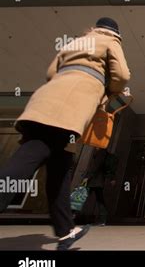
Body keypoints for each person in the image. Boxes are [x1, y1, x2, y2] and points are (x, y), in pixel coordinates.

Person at [0, 17, 130, 250]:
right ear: (115, 32)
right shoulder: (110, 41)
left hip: (46, 101)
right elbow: (122, 76)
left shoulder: (75, 42)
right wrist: (105, 89)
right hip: (68, 109)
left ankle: (66, 231)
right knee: (26, 160)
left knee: (60, 172)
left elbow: (51, 72)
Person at [83, 149, 118, 226]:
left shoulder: (100, 153)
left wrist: (87, 177)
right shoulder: (103, 153)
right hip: (98, 180)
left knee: (80, 196)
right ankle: (102, 219)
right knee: (99, 199)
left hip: (94, 179)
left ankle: (71, 214)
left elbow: (95, 166)